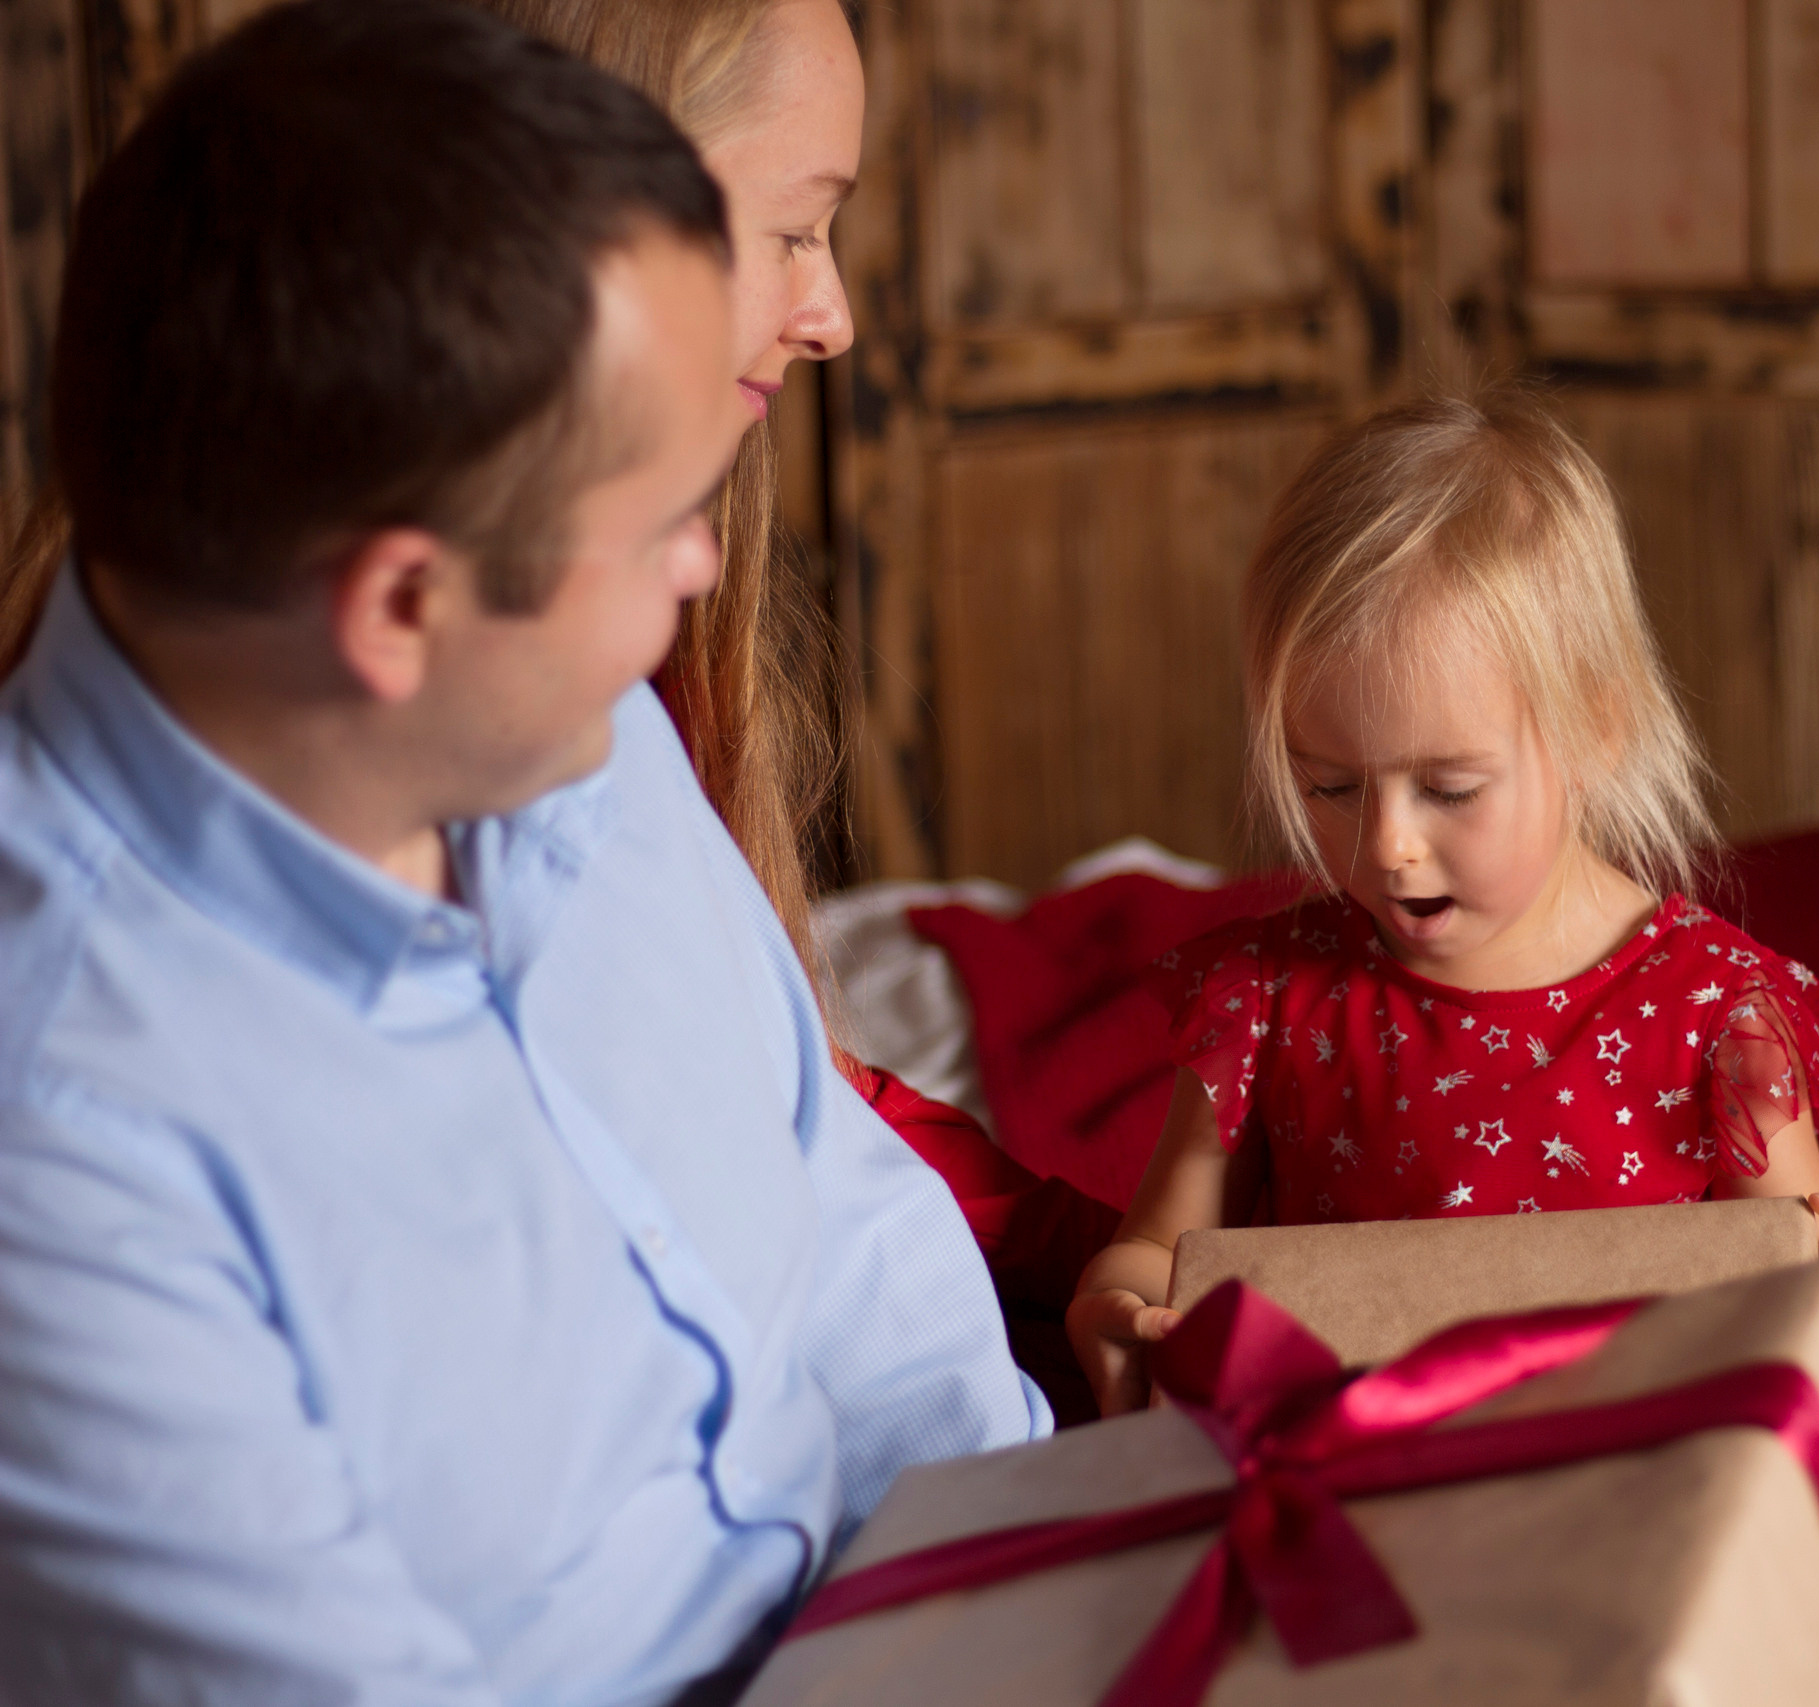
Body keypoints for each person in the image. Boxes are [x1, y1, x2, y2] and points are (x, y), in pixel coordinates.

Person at [0, 2, 1044, 1699]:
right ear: (401, 608)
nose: (701, 576)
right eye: (657, 529)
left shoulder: (554, 708)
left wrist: (1074, 1566)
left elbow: (853, 1234)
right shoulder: (64, 1147)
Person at [1063, 393, 1819, 1683]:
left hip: (1677, 1468)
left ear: (1591, 725)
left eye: (1448, 788)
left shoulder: (1712, 1008)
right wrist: (1121, 1298)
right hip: (1386, 1486)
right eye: (1329, 785)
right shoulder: (1271, 998)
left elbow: (1804, 1257)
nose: (1386, 845)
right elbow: (1161, 1239)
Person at [468, 0, 1123, 1375]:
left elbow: (782, 1087)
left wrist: (1082, 1245)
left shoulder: (634, 650)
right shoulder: (498, 715)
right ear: (603, 221)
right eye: (795, 231)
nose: (831, 317)